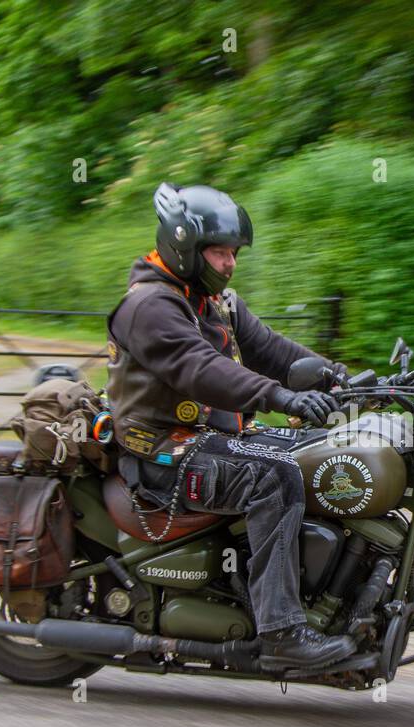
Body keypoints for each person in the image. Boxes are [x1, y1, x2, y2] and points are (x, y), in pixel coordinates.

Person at [105, 182, 355, 673]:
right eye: (220, 252)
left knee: (326, 450)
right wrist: (279, 396)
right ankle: (280, 629)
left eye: (234, 253)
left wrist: (343, 379)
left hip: (214, 441)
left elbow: (275, 351)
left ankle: (332, 600)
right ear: (183, 245)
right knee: (274, 477)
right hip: (162, 456)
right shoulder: (150, 307)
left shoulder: (213, 301)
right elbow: (203, 370)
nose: (230, 263)